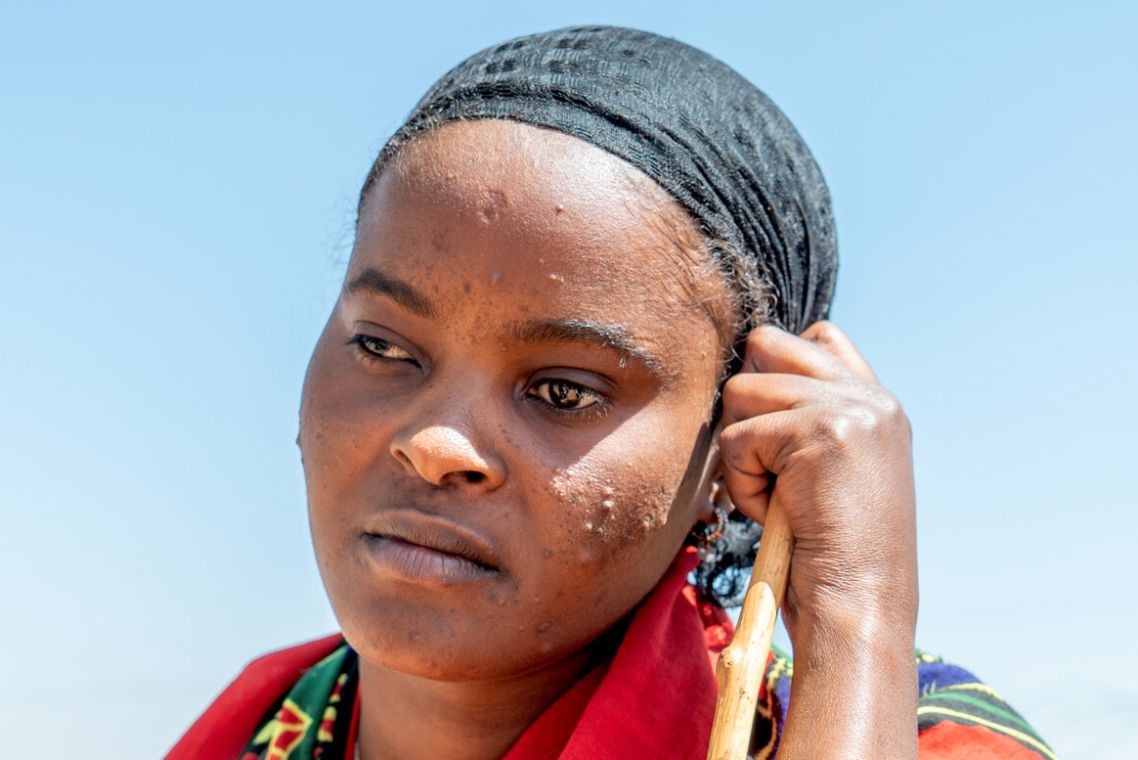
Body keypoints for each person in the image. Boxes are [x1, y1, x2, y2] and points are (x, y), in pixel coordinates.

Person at [168, 26, 1056, 760]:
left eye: (561, 390)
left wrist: (855, 622)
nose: (436, 443)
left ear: (732, 450)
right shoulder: (256, 727)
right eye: (382, 346)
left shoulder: (908, 735)